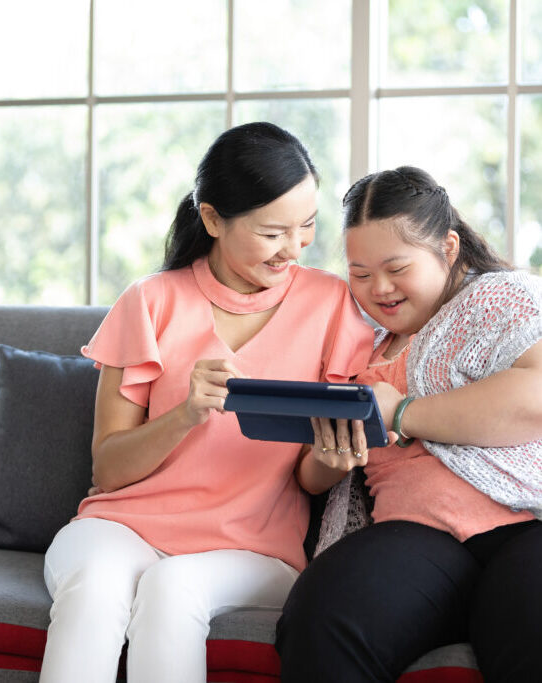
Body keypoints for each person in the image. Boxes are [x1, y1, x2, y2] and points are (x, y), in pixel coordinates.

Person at [38, 122, 374, 683]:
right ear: (214, 219)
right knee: (95, 587)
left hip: (256, 550)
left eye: (307, 226)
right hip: (123, 528)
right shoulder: (150, 301)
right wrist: (184, 415)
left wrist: (330, 459)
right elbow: (108, 468)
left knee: (174, 587)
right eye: (273, 233)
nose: (293, 248)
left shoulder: (330, 304)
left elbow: (308, 479)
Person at [276, 166, 542, 683]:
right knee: (321, 618)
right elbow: (311, 477)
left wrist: (401, 412)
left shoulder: (500, 299)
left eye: (397, 267)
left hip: (524, 523)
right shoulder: (354, 342)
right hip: (412, 540)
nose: (380, 288)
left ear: (447, 247)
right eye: (359, 273)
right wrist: (327, 461)